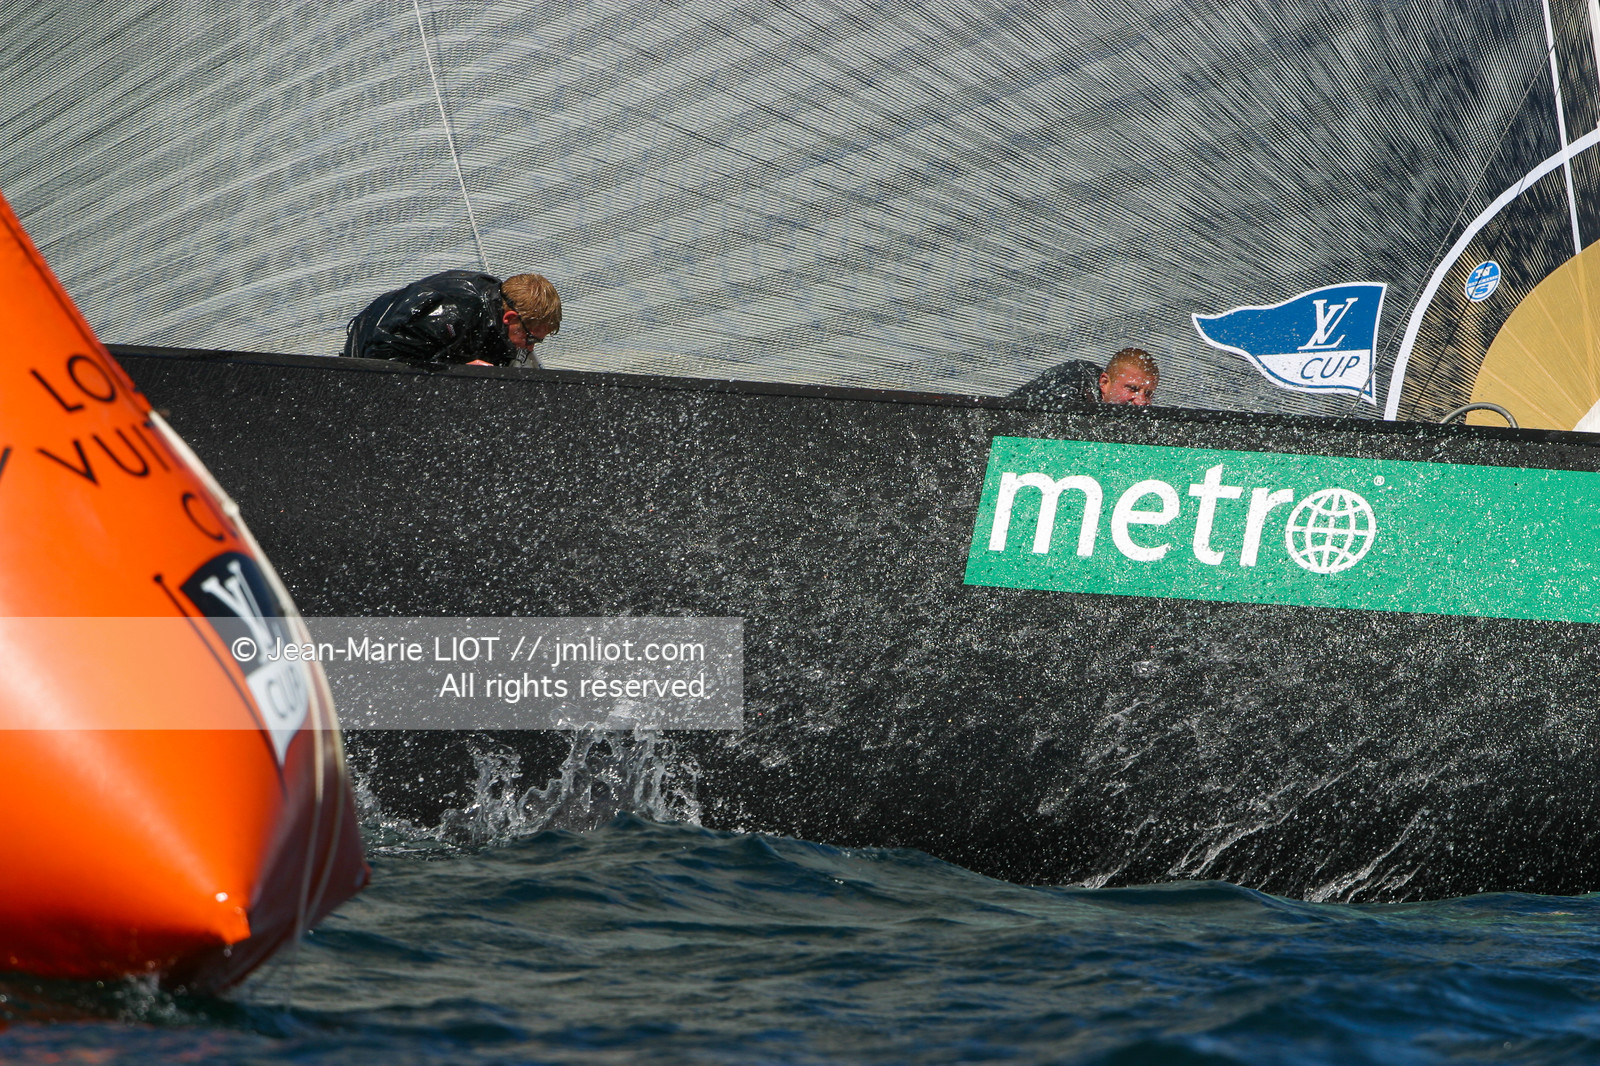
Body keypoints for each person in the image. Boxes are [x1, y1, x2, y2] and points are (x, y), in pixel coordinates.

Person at [342, 270, 561, 367]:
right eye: (531, 339)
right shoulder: (451, 312)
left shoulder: (498, 317)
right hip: (366, 365)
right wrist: (459, 370)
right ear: (510, 318)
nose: (530, 348)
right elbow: (379, 361)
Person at [1010, 347, 1159, 408]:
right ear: (1104, 383)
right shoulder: (1070, 384)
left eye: (1148, 393)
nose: (1141, 402)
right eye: (1132, 389)